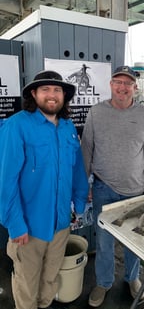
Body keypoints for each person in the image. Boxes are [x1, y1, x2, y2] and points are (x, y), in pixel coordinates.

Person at [0, 70, 89, 309]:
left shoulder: (68, 127)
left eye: (57, 90)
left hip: (61, 224)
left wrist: (79, 206)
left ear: (63, 96)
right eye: (46, 89)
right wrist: (15, 224)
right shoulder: (16, 126)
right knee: (26, 284)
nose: (52, 95)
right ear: (34, 93)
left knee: (50, 279)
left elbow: (77, 170)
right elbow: (5, 181)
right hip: (28, 229)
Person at [81, 65, 144, 307]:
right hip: (104, 189)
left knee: (134, 241)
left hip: (137, 192)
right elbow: (86, 150)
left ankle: (132, 278)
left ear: (134, 88)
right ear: (111, 85)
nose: (122, 87)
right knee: (104, 242)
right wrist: (85, 187)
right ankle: (103, 282)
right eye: (118, 82)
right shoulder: (96, 112)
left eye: (128, 83)